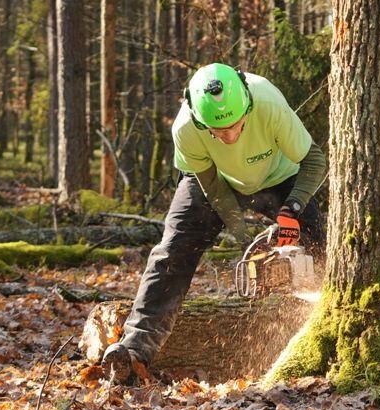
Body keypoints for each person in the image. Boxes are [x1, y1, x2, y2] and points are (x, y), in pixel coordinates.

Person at [101, 63, 327, 383]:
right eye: (219, 131)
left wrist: (292, 208)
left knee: (321, 243)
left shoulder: (270, 103)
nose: (230, 136)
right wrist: (241, 234)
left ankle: (332, 324)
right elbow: (212, 188)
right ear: (196, 116)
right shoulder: (185, 129)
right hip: (214, 180)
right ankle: (135, 348)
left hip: (280, 177)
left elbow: (314, 160)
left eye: (236, 125)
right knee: (174, 249)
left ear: (247, 102)